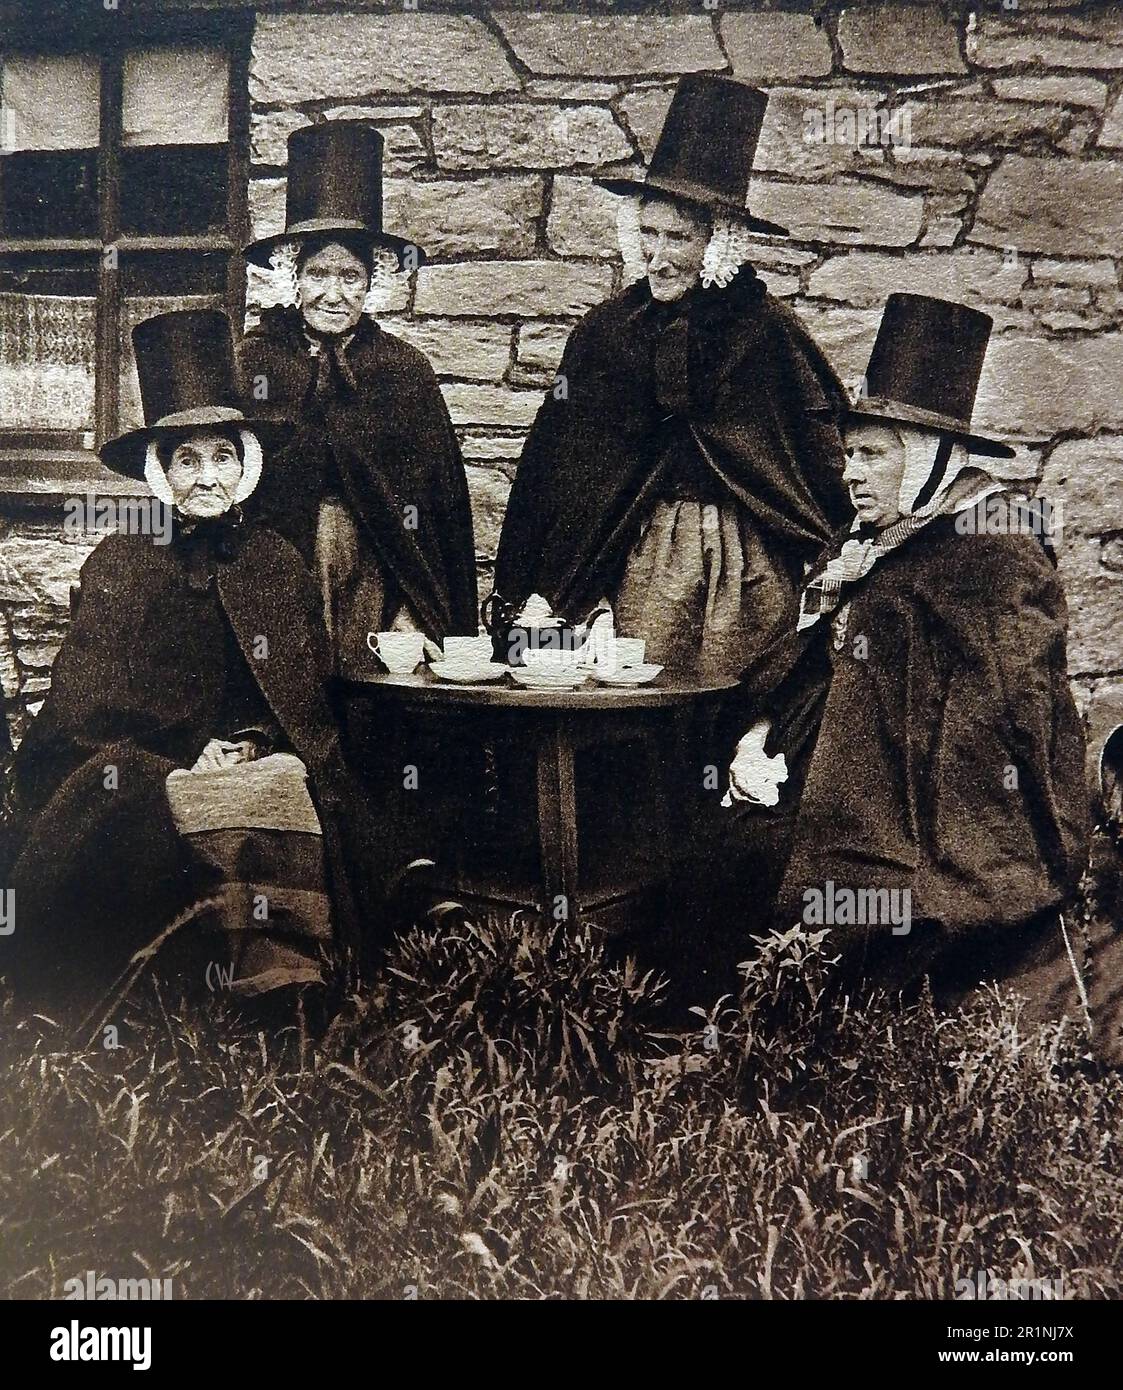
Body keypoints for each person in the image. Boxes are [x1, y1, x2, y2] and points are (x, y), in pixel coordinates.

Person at [696, 294, 1092, 1032]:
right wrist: (756, 736)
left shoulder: (993, 551)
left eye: (873, 453)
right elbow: (797, 661)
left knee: (835, 902)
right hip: (820, 781)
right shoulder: (869, 540)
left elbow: (1008, 724)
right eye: (850, 453)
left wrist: (882, 809)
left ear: (934, 458)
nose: (852, 473)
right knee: (709, 857)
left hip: (920, 818)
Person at [2, 310, 403, 1011]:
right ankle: (225, 973)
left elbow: (303, 696)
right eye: (187, 460)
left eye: (221, 457)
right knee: (180, 794)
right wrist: (191, 747)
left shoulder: (275, 563)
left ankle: (282, 974)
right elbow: (83, 708)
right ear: (161, 472)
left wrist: (257, 740)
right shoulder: (122, 562)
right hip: (141, 762)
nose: (206, 477)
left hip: (255, 756)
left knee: (282, 780)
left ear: (245, 465)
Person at [491, 75, 850, 682]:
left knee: (732, 703)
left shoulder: (766, 333)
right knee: (639, 714)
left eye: (678, 238)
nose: (659, 254)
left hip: (748, 564)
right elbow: (558, 471)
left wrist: (838, 554)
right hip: (639, 560)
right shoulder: (606, 334)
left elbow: (818, 457)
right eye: (648, 234)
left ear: (718, 240)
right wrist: (554, 587)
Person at [239, 121, 478, 674]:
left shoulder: (402, 372)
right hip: (278, 579)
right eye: (318, 273)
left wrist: (416, 609)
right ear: (292, 277)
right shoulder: (254, 362)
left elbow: (436, 514)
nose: (333, 292)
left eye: (350, 276)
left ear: (372, 283)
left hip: (375, 581)